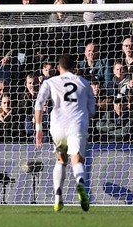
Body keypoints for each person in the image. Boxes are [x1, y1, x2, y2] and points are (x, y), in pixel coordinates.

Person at [34, 54, 95, 212]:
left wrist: (38, 129)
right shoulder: (84, 83)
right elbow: (92, 111)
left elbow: (39, 104)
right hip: (77, 124)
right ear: (75, 67)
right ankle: (80, 183)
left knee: (61, 160)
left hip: (58, 126)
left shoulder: (50, 81)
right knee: (77, 161)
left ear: (58, 67)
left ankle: (58, 198)